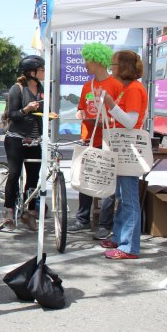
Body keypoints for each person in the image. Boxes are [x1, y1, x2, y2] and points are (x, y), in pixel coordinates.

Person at [67, 42, 122, 239]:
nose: (84, 64)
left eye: (87, 60)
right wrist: (80, 113)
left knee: (106, 182)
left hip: (108, 141)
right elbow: (81, 108)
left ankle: (104, 224)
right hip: (87, 139)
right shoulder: (87, 85)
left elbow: (120, 114)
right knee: (85, 179)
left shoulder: (115, 85)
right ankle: (83, 219)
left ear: (98, 60)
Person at [99, 50, 148, 259]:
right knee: (123, 196)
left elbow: (129, 122)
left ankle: (129, 246)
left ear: (126, 67)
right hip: (124, 148)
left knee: (128, 198)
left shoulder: (134, 89)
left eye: (115, 65)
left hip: (128, 148)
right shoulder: (129, 88)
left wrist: (110, 104)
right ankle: (121, 238)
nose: (112, 69)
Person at [2, 55, 45, 232]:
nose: (44, 73)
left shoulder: (42, 89)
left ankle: (29, 213)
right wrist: (26, 109)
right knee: (14, 173)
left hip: (34, 140)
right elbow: (12, 114)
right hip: (16, 138)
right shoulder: (17, 88)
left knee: (34, 176)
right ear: (31, 72)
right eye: (42, 69)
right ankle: (9, 211)